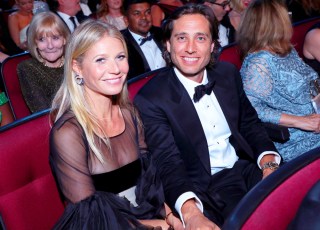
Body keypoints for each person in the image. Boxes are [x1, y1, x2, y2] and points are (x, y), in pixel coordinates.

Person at [134, 3, 279, 229]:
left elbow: (250, 124)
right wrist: (190, 213)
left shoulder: (227, 74)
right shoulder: (151, 99)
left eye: (200, 38)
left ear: (212, 45)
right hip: (207, 186)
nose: (190, 48)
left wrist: (270, 166)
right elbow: (168, 163)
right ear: (168, 44)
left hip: (249, 166)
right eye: (181, 38)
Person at [50, 19, 183, 229]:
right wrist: (155, 225)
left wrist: (171, 216)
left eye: (120, 57)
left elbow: (150, 186)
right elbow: (92, 218)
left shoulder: (130, 114)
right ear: (77, 67)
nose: (115, 69)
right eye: (101, 60)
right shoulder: (68, 133)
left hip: (147, 217)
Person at [238, 0, 320, 162]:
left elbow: (310, 85)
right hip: (300, 139)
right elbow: (252, 110)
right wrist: (301, 122)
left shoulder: (286, 50)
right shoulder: (259, 63)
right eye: (285, 17)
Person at [17, 12, 70, 113]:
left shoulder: (75, 62)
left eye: (55, 38)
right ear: (35, 43)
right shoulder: (28, 68)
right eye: (42, 39)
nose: (50, 46)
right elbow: (43, 112)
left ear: (64, 39)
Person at [121, 0, 166, 80]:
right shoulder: (121, 43)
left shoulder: (163, 33)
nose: (144, 17)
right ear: (126, 20)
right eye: (137, 13)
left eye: (147, 12)